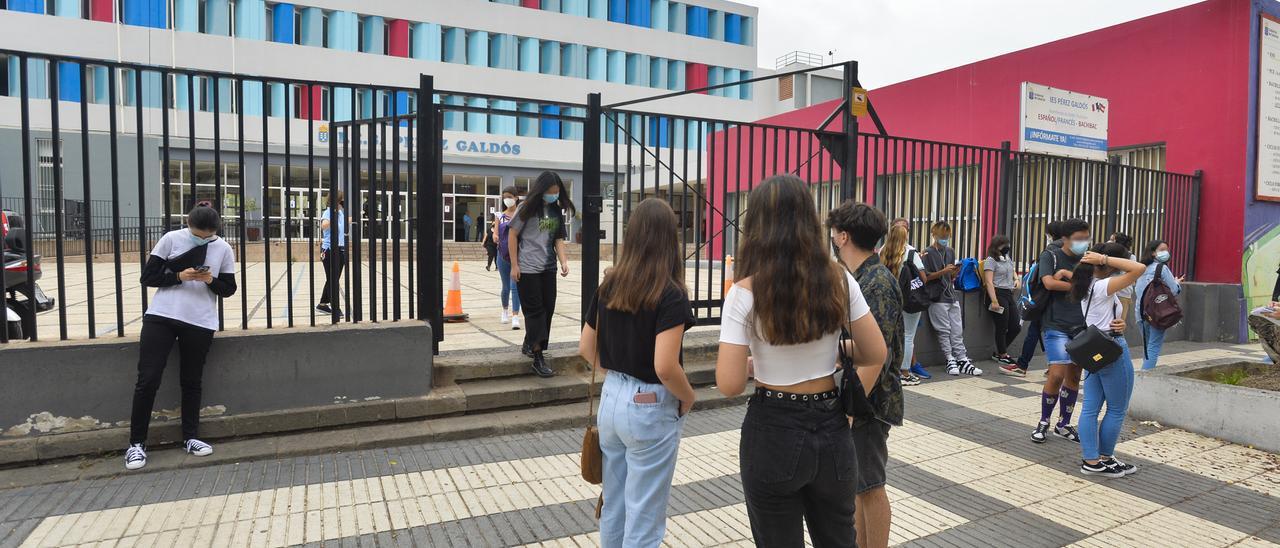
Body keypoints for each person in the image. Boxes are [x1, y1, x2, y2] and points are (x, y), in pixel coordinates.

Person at [717, 175, 886, 548]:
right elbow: (876, 353)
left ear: (756, 226)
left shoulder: (743, 293)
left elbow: (728, 384)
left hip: (772, 427)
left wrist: (755, 363)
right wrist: (833, 351)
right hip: (831, 423)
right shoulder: (839, 279)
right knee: (839, 539)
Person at [579, 199, 696, 547]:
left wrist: (616, 374)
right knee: (645, 514)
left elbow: (586, 348)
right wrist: (688, 397)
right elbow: (665, 365)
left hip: (612, 398)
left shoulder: (610, 285)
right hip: (648, 405)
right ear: (668, 240)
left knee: (614, 503)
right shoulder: (671, 294)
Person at [126, 206, 237, 470]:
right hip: (161, 317)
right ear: (188, 224)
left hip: (200, 321)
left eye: (208, 237)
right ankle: (136, 444)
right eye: (198, 235)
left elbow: (229, 289)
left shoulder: (223, 248)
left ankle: (190, 437)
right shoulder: (171, 239)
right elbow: (148, 277)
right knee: (148, 378)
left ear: (216, 231)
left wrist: (210, 279)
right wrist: (178, 276)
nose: (202, 240)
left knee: (191, 381)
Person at [828, 202, 902, 548]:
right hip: (860, 397)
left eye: (833, 232)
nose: (829, 238)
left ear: (843, 236)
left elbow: (877, 354)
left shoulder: (877, 282)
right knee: (857, 484)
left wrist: (850, 409)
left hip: (870, 403)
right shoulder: (858, 278)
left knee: (870, 486)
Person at [1074, 243, 1145, 478]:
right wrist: (1105, 258)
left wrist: (1121, 322)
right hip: (1112, 349)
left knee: (1090, 408)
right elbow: (1139, 268)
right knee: (1117, 409)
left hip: (1094, 351)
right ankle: (1103, 457)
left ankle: (1092, 460)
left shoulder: (1087, 285)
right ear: (1106, 265)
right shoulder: (1102, 285)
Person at [509, 171, 574, 378]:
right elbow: (512, 234)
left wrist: (563, 261)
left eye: (557, 192)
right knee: (535, 312)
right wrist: (514, 265)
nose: (554, 196)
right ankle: (538, 357)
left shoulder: (555, 212)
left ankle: (530, 342)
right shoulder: (526, 208)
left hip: (548, 268)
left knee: (548, 309)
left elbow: (558, 240)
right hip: (527, 269)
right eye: (551, 192)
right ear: (541, 191)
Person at [1032, 218, 1091, 444]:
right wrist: (1080, 286)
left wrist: (1068, 278)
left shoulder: (1089, 258)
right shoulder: (1051, 255)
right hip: (1055, 323)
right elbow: (1048, 283)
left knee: (1075, 375)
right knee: (1057, 373)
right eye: (1078, 239)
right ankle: (1044, 421)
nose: (1083, 243)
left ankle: (1063, 424)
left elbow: (1098, 285)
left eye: (1086, 238)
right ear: (1065, 239)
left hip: (1083, 325)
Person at [1002, 220, 1064, 377]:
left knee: (1037, 332)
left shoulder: (1049, 252)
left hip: (1045, 300)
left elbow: (1045, 280)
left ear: (1050, 235)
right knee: (1054, 333)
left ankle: (1024, 365)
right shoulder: (1068, 251)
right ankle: (1054, 367)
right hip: (1061, 300)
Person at [920, 221, 980, 375]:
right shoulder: (927, 253)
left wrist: (954, 271)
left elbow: (950, 276)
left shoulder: (950, 251)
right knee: (944, 330)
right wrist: (944, 271)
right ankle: (949, 359)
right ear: (934, 235)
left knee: (957, 330)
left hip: (951, 295)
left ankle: (962, 358)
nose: (944, 239)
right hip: (937, 296)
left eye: (946, 236)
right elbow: (925, 277)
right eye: (942, 236)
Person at [880, 224, 923, 386]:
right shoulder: (911, 252)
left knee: (889, 336)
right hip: (908, 300)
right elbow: (922, 278)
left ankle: (888, 369)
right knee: (908, 336)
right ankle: (904, 372)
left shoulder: (883, 251)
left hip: (889, 300)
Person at [1135, 239, 1183, 370]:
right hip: (1158, 313)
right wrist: (1177, 282)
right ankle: (1146, 375)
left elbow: (1138, 290)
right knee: (1153, 347)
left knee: (1147, 347)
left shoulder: (1140, 268)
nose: (1166, 252)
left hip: (1141, 313)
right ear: (1153, 253)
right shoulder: (1162, 268)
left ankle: (1144, 371)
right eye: (1162, 250)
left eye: (1166, 249)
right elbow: (1173, 290)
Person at [983, 235, 1022, 365]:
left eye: (1007, 244)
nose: (1007, 247)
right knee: (1002, 326)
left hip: (1008, 293)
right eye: (1003, 245)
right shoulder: (990, 261)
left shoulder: (1006, 258)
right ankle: (1002, 354)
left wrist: (1016, 279)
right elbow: (989, 282)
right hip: (997, 293)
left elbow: (1012, 270)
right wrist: (994, 300)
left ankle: (1000, 351)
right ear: (996, 246)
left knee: (1016, 326)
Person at [493, 187, 522, 330]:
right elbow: (495, 232)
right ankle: (505, 310)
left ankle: (515, 315)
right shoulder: (499, 215)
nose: (507, 199)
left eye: (510, 196)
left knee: (515, 286)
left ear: (516, 198)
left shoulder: (521, 215)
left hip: (517, 257)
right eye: (504, 197)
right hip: (502, 256)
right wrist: (495, 236)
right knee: (506, 287)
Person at [316, 191, 347, 318]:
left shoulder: (340, 212)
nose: (344, 202)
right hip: (329, 250)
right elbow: (323, 226)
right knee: (333, 279)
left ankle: (323, 304)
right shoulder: (329, 212)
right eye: (342, 200)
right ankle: (335, 307)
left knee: (333, 279)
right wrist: (333, 215)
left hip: (340, 249)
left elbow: (345, 222)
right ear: (338, 200)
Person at [1108, 232, 1137, 322]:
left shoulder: (1130, 257)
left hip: (1122, 294)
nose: (1109, 242)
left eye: (1112, 240)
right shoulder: (1108, 254)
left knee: (1118, 323)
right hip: (1108, 292)